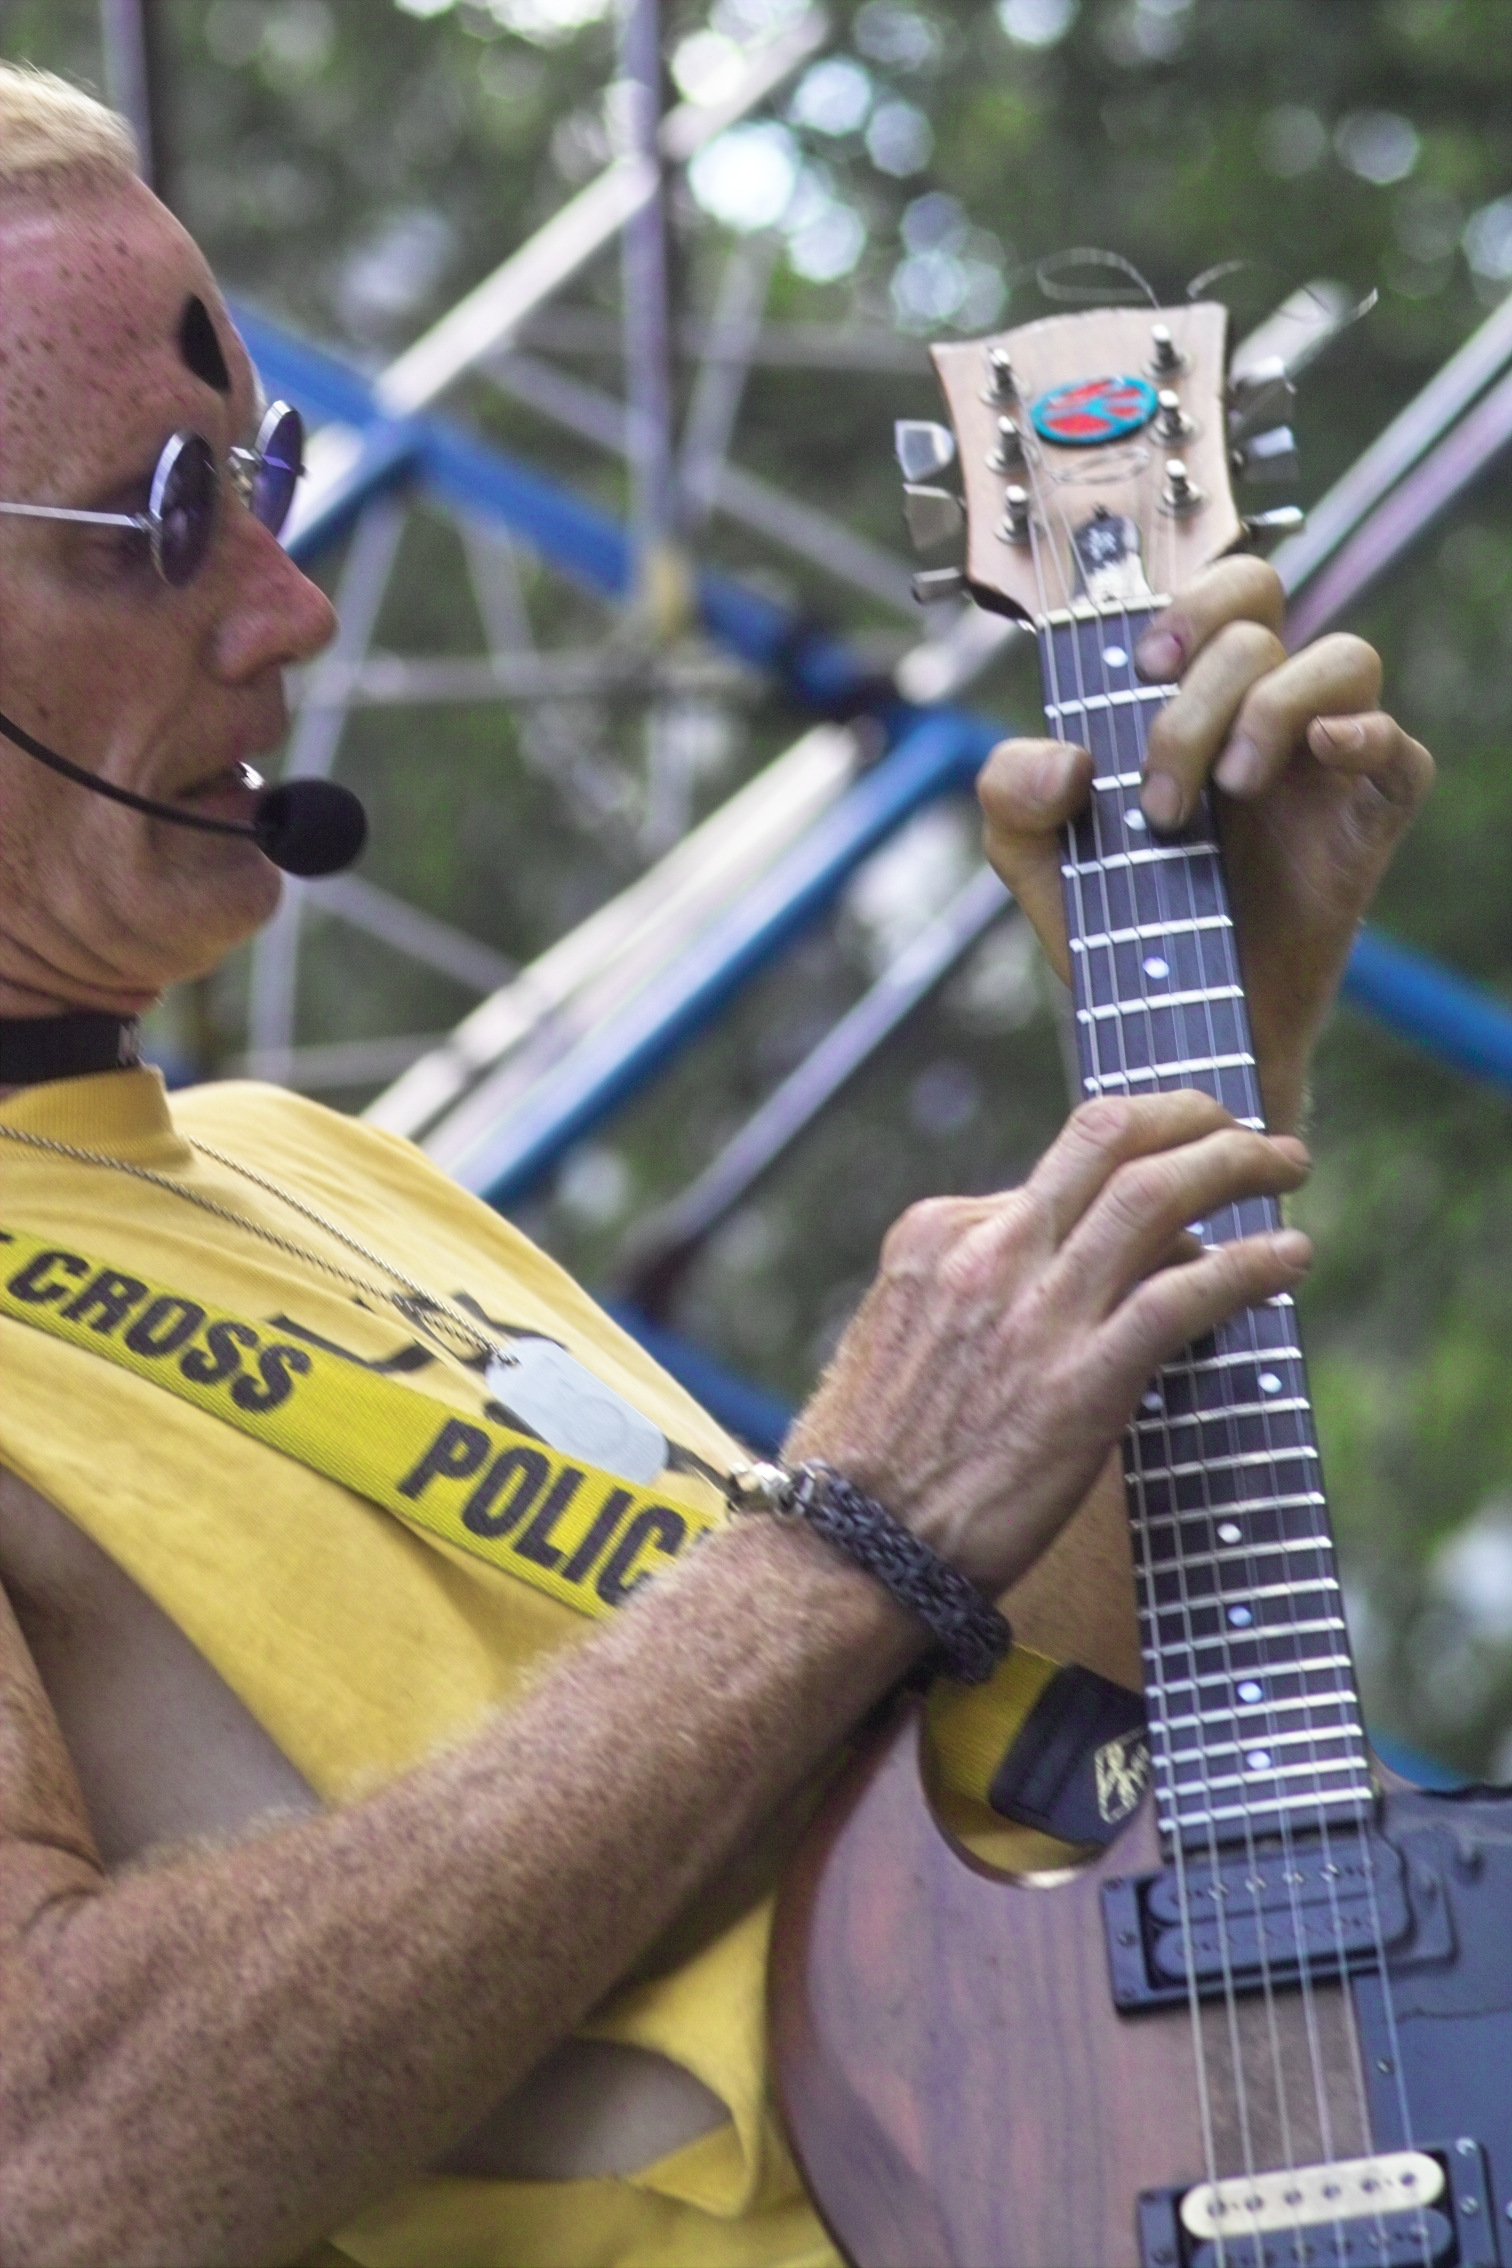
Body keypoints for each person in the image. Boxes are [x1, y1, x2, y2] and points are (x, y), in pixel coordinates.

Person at [0, 61, 1435, 2268]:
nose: (296, 610)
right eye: (165, 518)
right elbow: (46, 2160)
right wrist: (845, 1533)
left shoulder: (304, 1160)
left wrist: (1212, 1059)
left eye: (269, 477)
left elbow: (997, 1786)